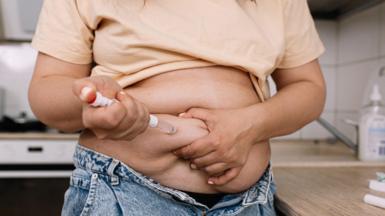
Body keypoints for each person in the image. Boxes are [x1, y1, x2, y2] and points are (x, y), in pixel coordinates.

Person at [28, 0, 326, 215]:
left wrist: (250, 124)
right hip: (122, 193)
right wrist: (90, 99)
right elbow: (45, 94)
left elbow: (309, 88)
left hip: (248, 202)